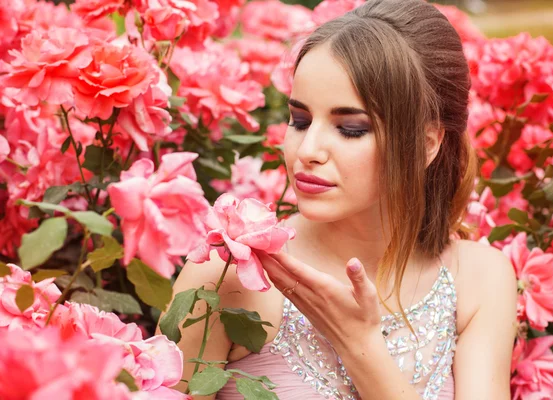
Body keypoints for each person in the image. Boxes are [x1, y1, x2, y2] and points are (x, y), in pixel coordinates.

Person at [160, 0, 518, 398]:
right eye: (299, 120)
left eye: (350, 128)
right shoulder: (228, 274)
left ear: (427, 143)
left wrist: (360, 347)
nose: (308, 149)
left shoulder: (480, 280)